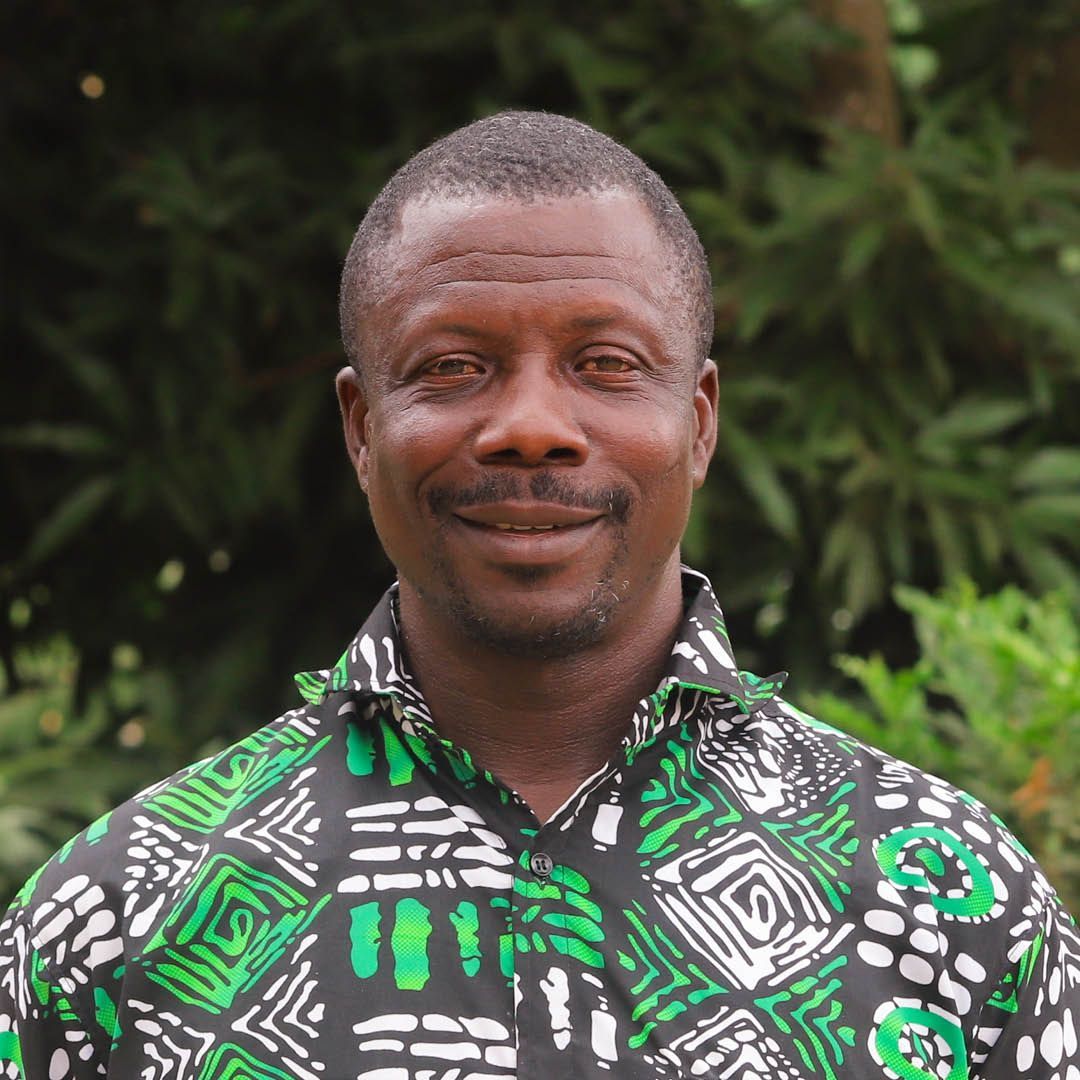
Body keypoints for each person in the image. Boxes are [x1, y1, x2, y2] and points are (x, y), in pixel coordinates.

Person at [0, 111, 1075, 1080]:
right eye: (453, 367)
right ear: (361, 427)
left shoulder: (949, 901)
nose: (530, 424)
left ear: (699, 423)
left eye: (605, 363)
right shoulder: (111, 923)